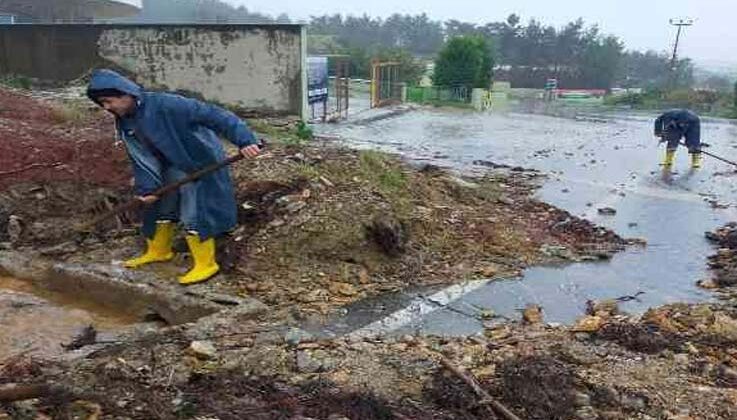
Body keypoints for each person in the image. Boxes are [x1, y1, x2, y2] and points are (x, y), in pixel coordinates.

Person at [86, 69, 261, 285]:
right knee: (159, 205)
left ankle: (206, 263)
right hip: (168, 165)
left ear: (126, 94)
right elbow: (141, 159)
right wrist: (147, 189)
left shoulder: (169, 104)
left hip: (197, 162)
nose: (106, 108)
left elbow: (217, 116)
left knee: (194, 209)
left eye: (108, 101)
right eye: (102, 104)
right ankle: (159, 251)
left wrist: (245, 140)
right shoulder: (125, 121)